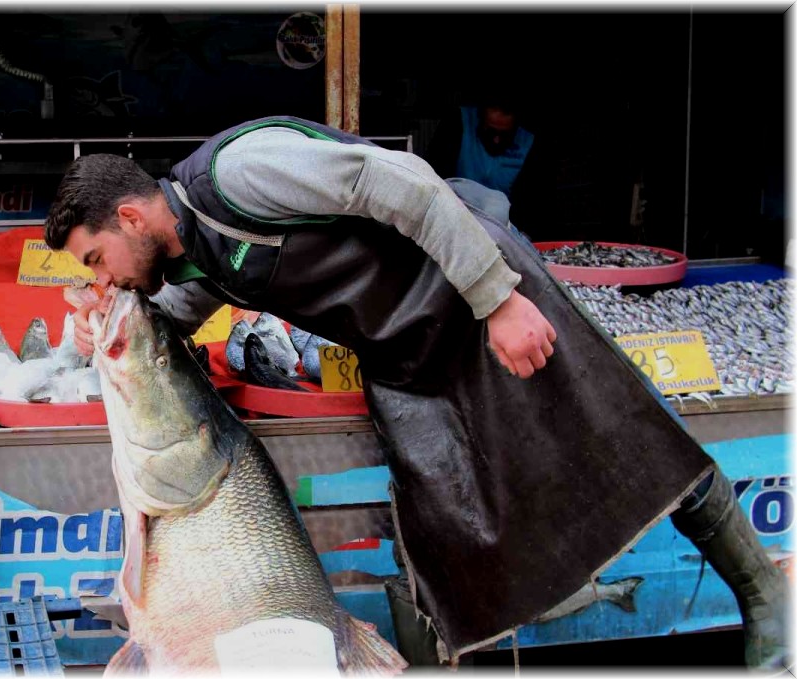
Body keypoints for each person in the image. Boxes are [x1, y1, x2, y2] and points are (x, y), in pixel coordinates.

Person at [42, 116, 789, 670]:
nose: (101, 277)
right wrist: (105, 329)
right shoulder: (185, 253)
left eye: (97, 258)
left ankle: (764, 593)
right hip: (402, 352)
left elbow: (405, 183)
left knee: (612, 431)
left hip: (469, 292)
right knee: (447, 523)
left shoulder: (238, 174)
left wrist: (497, 299)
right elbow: (169, 322)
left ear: (131, 216)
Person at [425, 97, 551, 238]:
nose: (496, 140)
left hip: (502, 232)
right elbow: (432, 180)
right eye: (491, 132)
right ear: (481, 118)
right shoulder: (457, 125)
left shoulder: (528, 145)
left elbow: (533, 202)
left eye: (505, 135)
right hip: (453, 222)